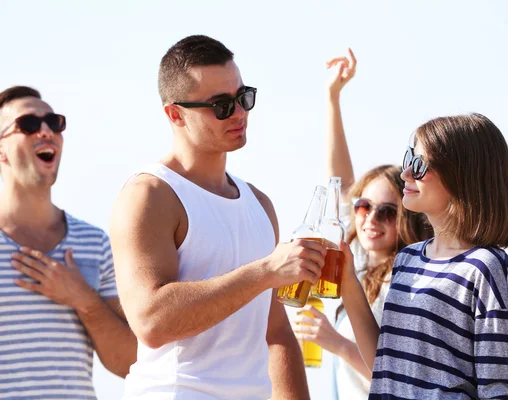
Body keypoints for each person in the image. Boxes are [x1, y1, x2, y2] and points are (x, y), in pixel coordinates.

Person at [110, 35, 325, 400]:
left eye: (243, 97)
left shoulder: (259, 202)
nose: (240, 112)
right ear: (175, 113)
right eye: (221, 105)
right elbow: (150, 321)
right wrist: (266, 272)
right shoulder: (149, 195)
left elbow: (275, 332)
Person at [340, 113, 508, 399]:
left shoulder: (485, 267)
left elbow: (497, 389)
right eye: (408, 159)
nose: (405, 173)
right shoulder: (407, 259)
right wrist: (348, 280)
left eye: (419, 164)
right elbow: (385, 366)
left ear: (461, 175)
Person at [292, 49, 431, 399]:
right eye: (364, 206)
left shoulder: (405, 280)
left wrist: (335, 342)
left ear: (407, 219)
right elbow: (339, 181)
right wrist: (332, 97)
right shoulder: (363, 265)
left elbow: (395, 373)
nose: (370, 219)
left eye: (387, 211)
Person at [0, 86, 137, 399]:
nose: (46, 131)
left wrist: (84, 300)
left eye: (54, 122)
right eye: (29, 125)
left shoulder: (94, 242)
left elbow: (130, 363)